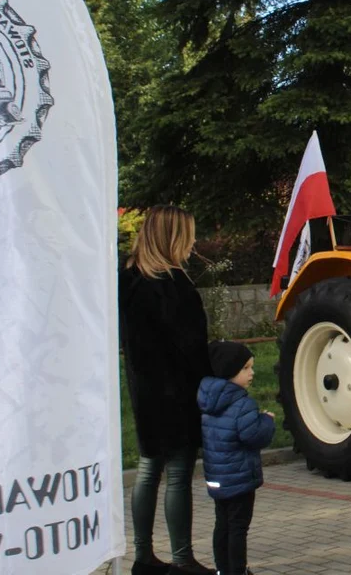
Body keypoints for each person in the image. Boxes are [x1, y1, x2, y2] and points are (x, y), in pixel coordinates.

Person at [119, 205, 215, 575]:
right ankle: (182, 558)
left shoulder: (127, 280)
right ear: (173, 237)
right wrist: (208, 384)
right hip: (178, 390)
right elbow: (191, 346)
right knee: (177, 474)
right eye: (188, 236)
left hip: (143, 388)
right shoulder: (174, 286)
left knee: (148, 468)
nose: (192, 244)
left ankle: (142, 556)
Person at [198, 341, 277, 575]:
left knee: (221, 525)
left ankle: (223, 569)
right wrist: (267, 420)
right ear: (229, 370)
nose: (252, 373)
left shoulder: (207, 400)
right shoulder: (242, 404)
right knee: (238, 529)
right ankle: (238, 570)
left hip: (217, 478)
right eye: (245, 368)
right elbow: (254, 436)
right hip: (239, 480)